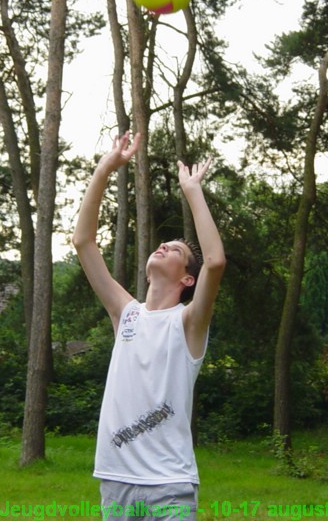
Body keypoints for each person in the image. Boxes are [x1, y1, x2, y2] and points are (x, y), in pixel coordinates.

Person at [72, 131, 225, 521]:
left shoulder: (189, 322)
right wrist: (106, 167)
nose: (163, 247)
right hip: (116, 480)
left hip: (170, 485)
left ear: (186, 280)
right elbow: (84, 242)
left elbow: (215, 261)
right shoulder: (127, 313)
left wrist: (192, 190)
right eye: (163, 245)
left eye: (175, 250)